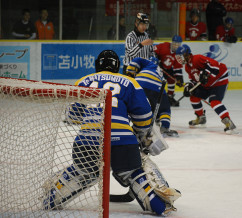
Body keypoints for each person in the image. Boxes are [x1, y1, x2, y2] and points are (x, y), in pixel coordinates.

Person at [42, 50, 181, 215]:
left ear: (97, 65)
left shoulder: (83, 80)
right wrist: (141, 136)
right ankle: (158, 204)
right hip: (123, 143)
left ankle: (53, 197)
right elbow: (144, 118)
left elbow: (72, 115)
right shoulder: (130, 82)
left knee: (84, 169)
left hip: (87, 141)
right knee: (134, 171)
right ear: (118, 67)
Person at [175, 44, 237, 134]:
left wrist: (206, 73)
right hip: (207, 84)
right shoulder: (187, 67)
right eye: (178, 57)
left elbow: (215, 66)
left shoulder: (197, 58)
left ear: (187, 54)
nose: (180, 59)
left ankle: (228, 122)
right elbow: (194, 80)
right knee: (193, 96)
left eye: (181, 56)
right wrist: (189, 86)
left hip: (219, 81)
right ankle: (201, 118)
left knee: (214, 101)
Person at [126, 57, 179, 137]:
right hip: (158, 88)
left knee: (132, 107)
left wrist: (130, 72)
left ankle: (125, 125)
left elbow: (136, 60)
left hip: (140, 84)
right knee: (165, 109)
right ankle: (165, 128)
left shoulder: (148, 63)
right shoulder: (160, 72)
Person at [153, 35, 183, 107]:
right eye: (175, 43)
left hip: (168, 69)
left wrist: (179, 78)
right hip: (159, 67)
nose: (176, 46)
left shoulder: (179, 53)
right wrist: (157, 59)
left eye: (178, 44)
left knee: (172, 80)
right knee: (157, 81)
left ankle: (170, 97)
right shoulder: (164, 46)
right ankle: (156, 96)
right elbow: (153, 50)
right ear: (172, 43)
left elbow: (177, 67)